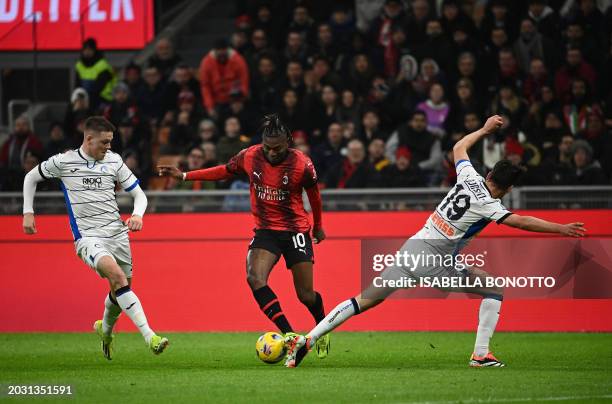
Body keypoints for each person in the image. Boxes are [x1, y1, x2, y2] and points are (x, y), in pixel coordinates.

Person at [284, 115, 586, 368]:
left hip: (413, 247)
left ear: (489, 172)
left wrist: (483, 130)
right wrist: (561, 229)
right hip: (434, 261)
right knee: (493, 288)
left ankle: (308, 339)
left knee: (366, 299)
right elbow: (521, 221)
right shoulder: (490, 204)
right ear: (507, 189)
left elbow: (458, 147)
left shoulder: (469, 175)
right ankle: (481, 355)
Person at [158, 114, 331, 357]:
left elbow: (314, 195)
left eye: (277, 148)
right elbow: (224, 171)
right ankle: (290, 335)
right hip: (266, 230)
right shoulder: (250, 155)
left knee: (305, 295)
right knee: (254, 277)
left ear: (288, 143)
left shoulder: (302, 163)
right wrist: (185, 175)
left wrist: (318, 225)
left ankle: (322, 327)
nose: (271, 153)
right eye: (268, 148)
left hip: (295, 230)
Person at [22, 116, 168, 360]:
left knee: (120, 288)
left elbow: (140, 195)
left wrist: (137, 215)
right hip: (88, 237)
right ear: (88, 139)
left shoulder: (114, 161)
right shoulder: (64, 161)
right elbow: (31, 178)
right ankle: (150, 336)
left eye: (110, 142)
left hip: (118, 234)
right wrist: (28, 212)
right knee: (119, 277)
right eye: (104, 142)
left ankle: (105, 330)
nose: (108, 147)